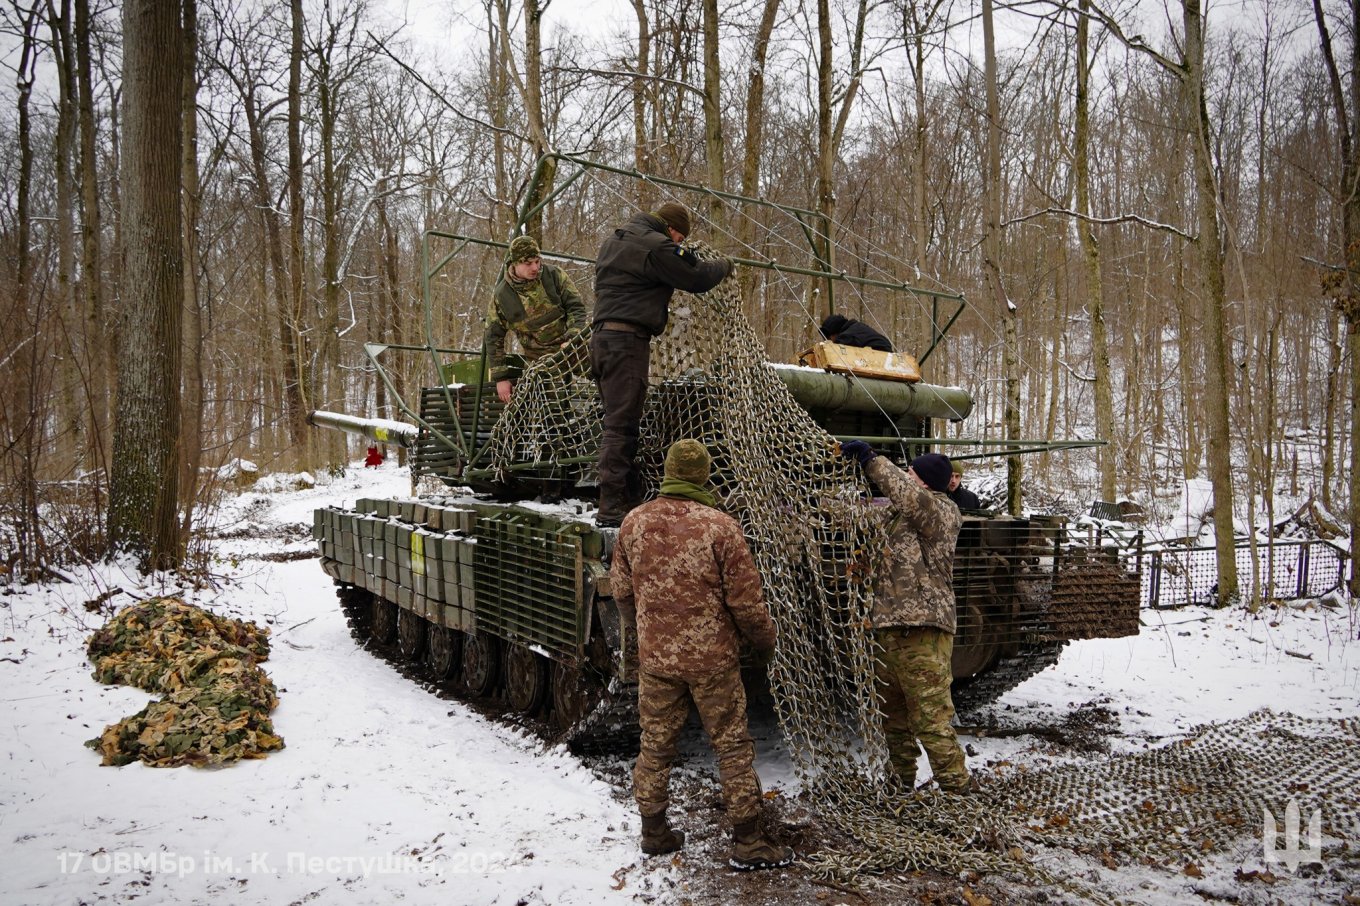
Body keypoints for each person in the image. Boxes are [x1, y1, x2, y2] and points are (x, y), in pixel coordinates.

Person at [610, 439, 794, 871]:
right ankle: (749, 840)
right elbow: (747, 604)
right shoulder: (720, 527)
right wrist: (765, 643)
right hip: (713, 662)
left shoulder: (634, 522)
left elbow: (620, 590)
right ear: (703, 475)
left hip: (657, 660)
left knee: (655, 744)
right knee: (731, 745)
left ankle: (654, 830)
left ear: (669, 472)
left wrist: (644, 632)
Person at [837, 442, 973, 794]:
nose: (906, 478)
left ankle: (960, 795)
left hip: (923, 631)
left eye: (911, 473)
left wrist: (871, 460)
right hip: (889, 630)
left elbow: (902, 491)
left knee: (930, 720)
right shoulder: (898, 515)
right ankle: (899, 787)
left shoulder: (940, 511)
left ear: (926, 482)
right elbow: (852, 514)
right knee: (894, 720)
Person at [590, 203, 733, 526]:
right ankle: (611, 507)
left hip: (601, 341)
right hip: (627, 342)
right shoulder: (656, 245)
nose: (680, 244)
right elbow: (696, 276)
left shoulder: (616, 239)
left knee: (617, 421)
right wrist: (724, 265)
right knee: (621, 425)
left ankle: (627, 497)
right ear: (670, 230)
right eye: (679, 238)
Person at [484, 235, 586, 404]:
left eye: (537, 261)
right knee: (546, 403)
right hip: (540, 358)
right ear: (515, 263)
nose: (535, 267)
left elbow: (576, 307)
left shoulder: (554, 275)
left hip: (571, 345)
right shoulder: (502, 295)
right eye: (528, 263)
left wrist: (573, 337)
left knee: (608, 367)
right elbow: (493, 336)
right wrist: (500, 378)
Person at [819, 313, 893, 352]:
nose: (830, 340)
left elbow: (835, 351)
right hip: (886, 353)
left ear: (834, 332)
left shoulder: (847, 336)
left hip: (878, 355)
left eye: (829, 338)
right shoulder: (857, 327)